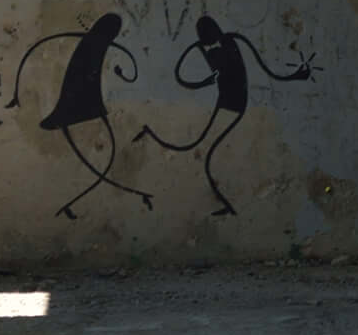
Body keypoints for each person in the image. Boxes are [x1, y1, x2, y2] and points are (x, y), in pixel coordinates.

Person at [134, 15, 316, 216]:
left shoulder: (232, 39)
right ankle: (150, 134)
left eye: (208, 34)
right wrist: (204, 82)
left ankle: (225, 203)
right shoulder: (202, 47)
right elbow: (180, 76)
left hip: (236, 102)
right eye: (204, 36)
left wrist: (296, 76)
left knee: (203, 148)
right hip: (225, 100)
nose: (208, 39)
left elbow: (266, 69)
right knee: (199, 145)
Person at [10, 12, 152, 217]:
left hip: (84, 102)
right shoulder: (92, 44)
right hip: (80, 102)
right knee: (101, 150)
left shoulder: (93, 43)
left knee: (102, 151)